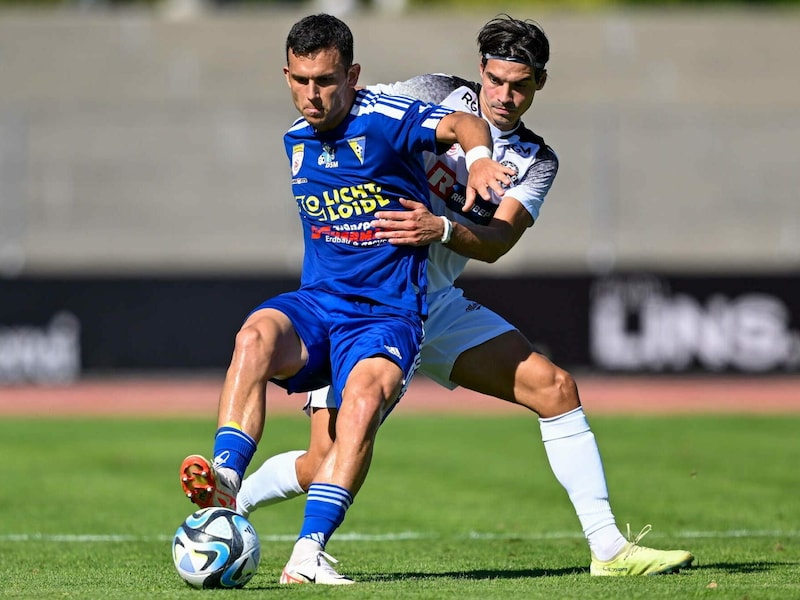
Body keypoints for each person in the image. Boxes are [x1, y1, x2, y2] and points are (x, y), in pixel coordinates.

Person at [231, 14, 695, 581]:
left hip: (435, 304)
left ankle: (608, 549)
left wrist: (443, 230)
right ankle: (235, 504)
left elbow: (499, 242)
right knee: (322, 460)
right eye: (495, 81)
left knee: (556, 388)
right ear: (480, 73)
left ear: (539, 85)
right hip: (361, 295)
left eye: (519, 85)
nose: (504, 96)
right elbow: (357, 109)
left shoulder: (536, 161)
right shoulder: (430, 94)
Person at [178, 12, 514, 587]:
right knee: (254, 336)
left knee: (357, 409)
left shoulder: (385, 120)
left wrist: (481, 160)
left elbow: (463, 124)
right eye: (302, 80)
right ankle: (227, 481)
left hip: (387, 316)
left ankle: (308, 554)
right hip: (320, 304)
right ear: (286, 75)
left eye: (327, 80)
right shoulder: (295, 141)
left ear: (352, 74)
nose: (314, 94)